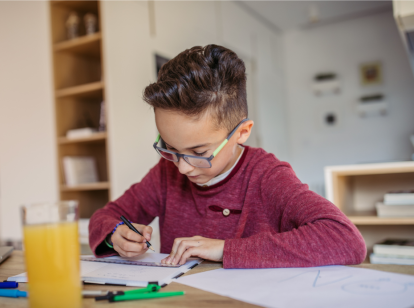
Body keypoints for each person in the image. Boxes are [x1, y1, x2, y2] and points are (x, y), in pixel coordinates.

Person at [88, 44, 366, 268]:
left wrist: (224, 249)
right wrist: (115, 236)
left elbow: (345, 239)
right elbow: (106, 216)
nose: (182, 168)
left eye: (199, 153)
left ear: (242, 132)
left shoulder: (267, 176)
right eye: (170, 148)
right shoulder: (166, 173)